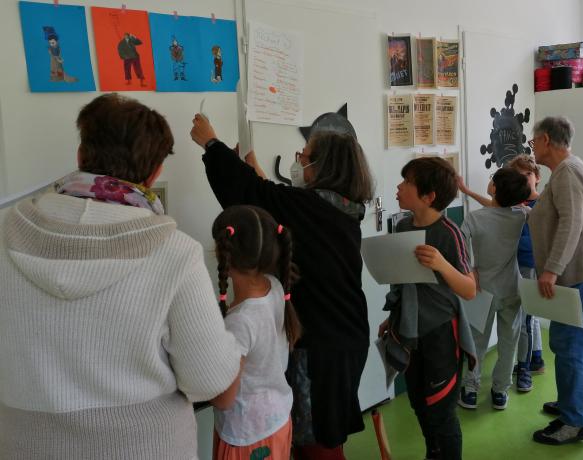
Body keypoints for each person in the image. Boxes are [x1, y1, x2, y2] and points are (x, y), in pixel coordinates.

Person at [0, 93, 241, 459]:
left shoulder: (5, 235)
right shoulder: (175, 253)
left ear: (81, 155)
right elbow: (212, 383)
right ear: (155, 172)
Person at [191, 112, 374, 460]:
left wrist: (211, 143)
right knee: (322, 435)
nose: (297, 161)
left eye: (302, 156)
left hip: (324, 347)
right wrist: (252, 166)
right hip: (346, 335)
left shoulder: (309, 209)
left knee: (317, 443)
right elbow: (274, 200)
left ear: (321, 166)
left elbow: (253, 194)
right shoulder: (343, 208)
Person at [378, 157, 477, 460]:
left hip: (440, 335)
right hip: (409, 331)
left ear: (428, 196)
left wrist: (441, 264)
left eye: (407, 182)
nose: (399, 186)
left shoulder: (449, 232)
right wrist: (391, 316)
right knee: (419, 403)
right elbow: (402, 279)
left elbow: (470, 289)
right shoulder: (403, 225)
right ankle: (433, 452)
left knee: (442, 412)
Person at [528, 117, 583, 445]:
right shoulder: (567, 171)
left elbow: (571, 223)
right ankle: (580, 404)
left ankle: (573, 422)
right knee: (581, 340)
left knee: (567, 344)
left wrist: (552, 269)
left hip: (575, 271)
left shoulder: (568, 173)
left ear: (546, 140)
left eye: (534, 141)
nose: (533, 147)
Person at [211, 205, 301, 460]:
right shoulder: (274, 286)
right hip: (278, 419)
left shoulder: (240, 322)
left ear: (222, 252)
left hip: (246, 435)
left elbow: (223, 399)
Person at [457, 153, 545, 394]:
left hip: (482, 289)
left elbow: (461, 255)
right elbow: (513, 211)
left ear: (493, 188)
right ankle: (501, 390)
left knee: (478, 342)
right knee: (509, 342)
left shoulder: (473, 218)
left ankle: (471, 388)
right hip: (512, 290)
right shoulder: (521, 215)